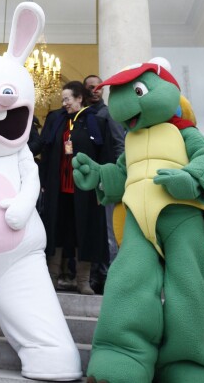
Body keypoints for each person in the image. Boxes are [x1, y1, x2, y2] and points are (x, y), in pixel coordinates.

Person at [39, 81, 111, 294]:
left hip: (85, 190)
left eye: (67, 99)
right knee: (56, 231)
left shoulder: (96, 122)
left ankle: (83, 281)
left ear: (79, 98)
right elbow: (45, 150)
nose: (64, 103)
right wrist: (42, 182)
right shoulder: (55, 119)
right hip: (58, 188)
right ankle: (51, 278)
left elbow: (104, 155)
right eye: (62, 100)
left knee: (85, 232)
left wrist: (103, 184)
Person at [83, 73, 126, 291]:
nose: (94, 90)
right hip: (88, 182)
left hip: (107, 180)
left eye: (98, 86)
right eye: (90, 87)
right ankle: (94, 275)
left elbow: (120, 144)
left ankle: (111, 276)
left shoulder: (110, 114)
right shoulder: (82, 115)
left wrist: (118, 174)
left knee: (110, 231)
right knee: (92, 229)